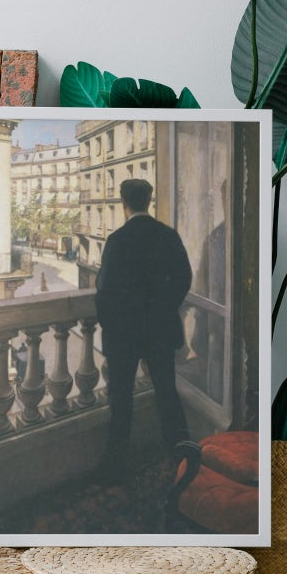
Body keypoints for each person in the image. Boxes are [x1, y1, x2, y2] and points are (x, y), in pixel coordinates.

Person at [95, 179, 192, 475]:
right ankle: (184, 460)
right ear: (148, 200)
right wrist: (163, 307)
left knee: (121, 401)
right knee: (167, 395)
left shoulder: (118, 240)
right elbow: (184, 277)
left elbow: (104, 291)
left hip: (125, 334)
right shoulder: (167, 235)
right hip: (160, 330)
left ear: (124, 201)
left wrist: (113, 326)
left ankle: (115, 467)